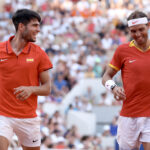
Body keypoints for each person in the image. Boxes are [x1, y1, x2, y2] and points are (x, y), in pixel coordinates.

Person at [0, 9, 53, 150]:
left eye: (39, 26)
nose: (39, 30)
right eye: (35, 25)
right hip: (2, 115)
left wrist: (31, 89)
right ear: (21, 26)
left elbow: (47, 88)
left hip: (28, 117)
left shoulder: (39, 53)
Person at [102, 10, 150, 150]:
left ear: (148, 26)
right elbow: (106, 76)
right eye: (133, 31)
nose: (138, 34)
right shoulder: (122, 50)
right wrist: (114, 87)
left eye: (141, 29)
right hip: (129, 114)